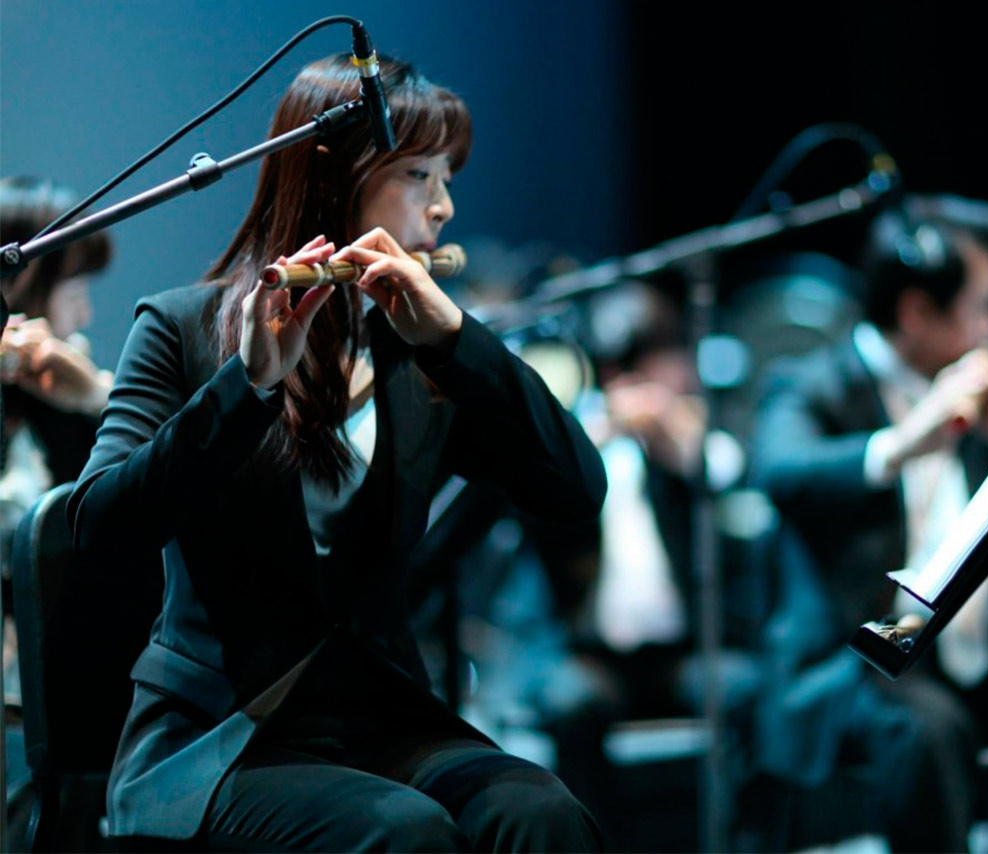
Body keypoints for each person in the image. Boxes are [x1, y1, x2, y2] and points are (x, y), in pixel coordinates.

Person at [66, 54, 607, 852]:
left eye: (448, 177)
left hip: (382, 724)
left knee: (541, 812)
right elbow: (98, 529)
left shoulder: (424, 357)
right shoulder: (181, 329)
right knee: (405, 834)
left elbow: (574, 488)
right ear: (338, 174)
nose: (445, 207)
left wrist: (460, 341)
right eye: (420, 175)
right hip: (220, 739)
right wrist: (245, 387)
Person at [746, 199, 988, 851]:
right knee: (928, 733)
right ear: (916, 312)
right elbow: (781, 473)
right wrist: (901, 441)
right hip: (868, 655)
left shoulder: (986, 381)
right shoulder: (810, 383)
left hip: (985, 655)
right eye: (980, 309)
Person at [1, 175, 114, 704]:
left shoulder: (64, 385)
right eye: (74, 291)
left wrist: (92, 394)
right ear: (16, 288)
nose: (85, 313)